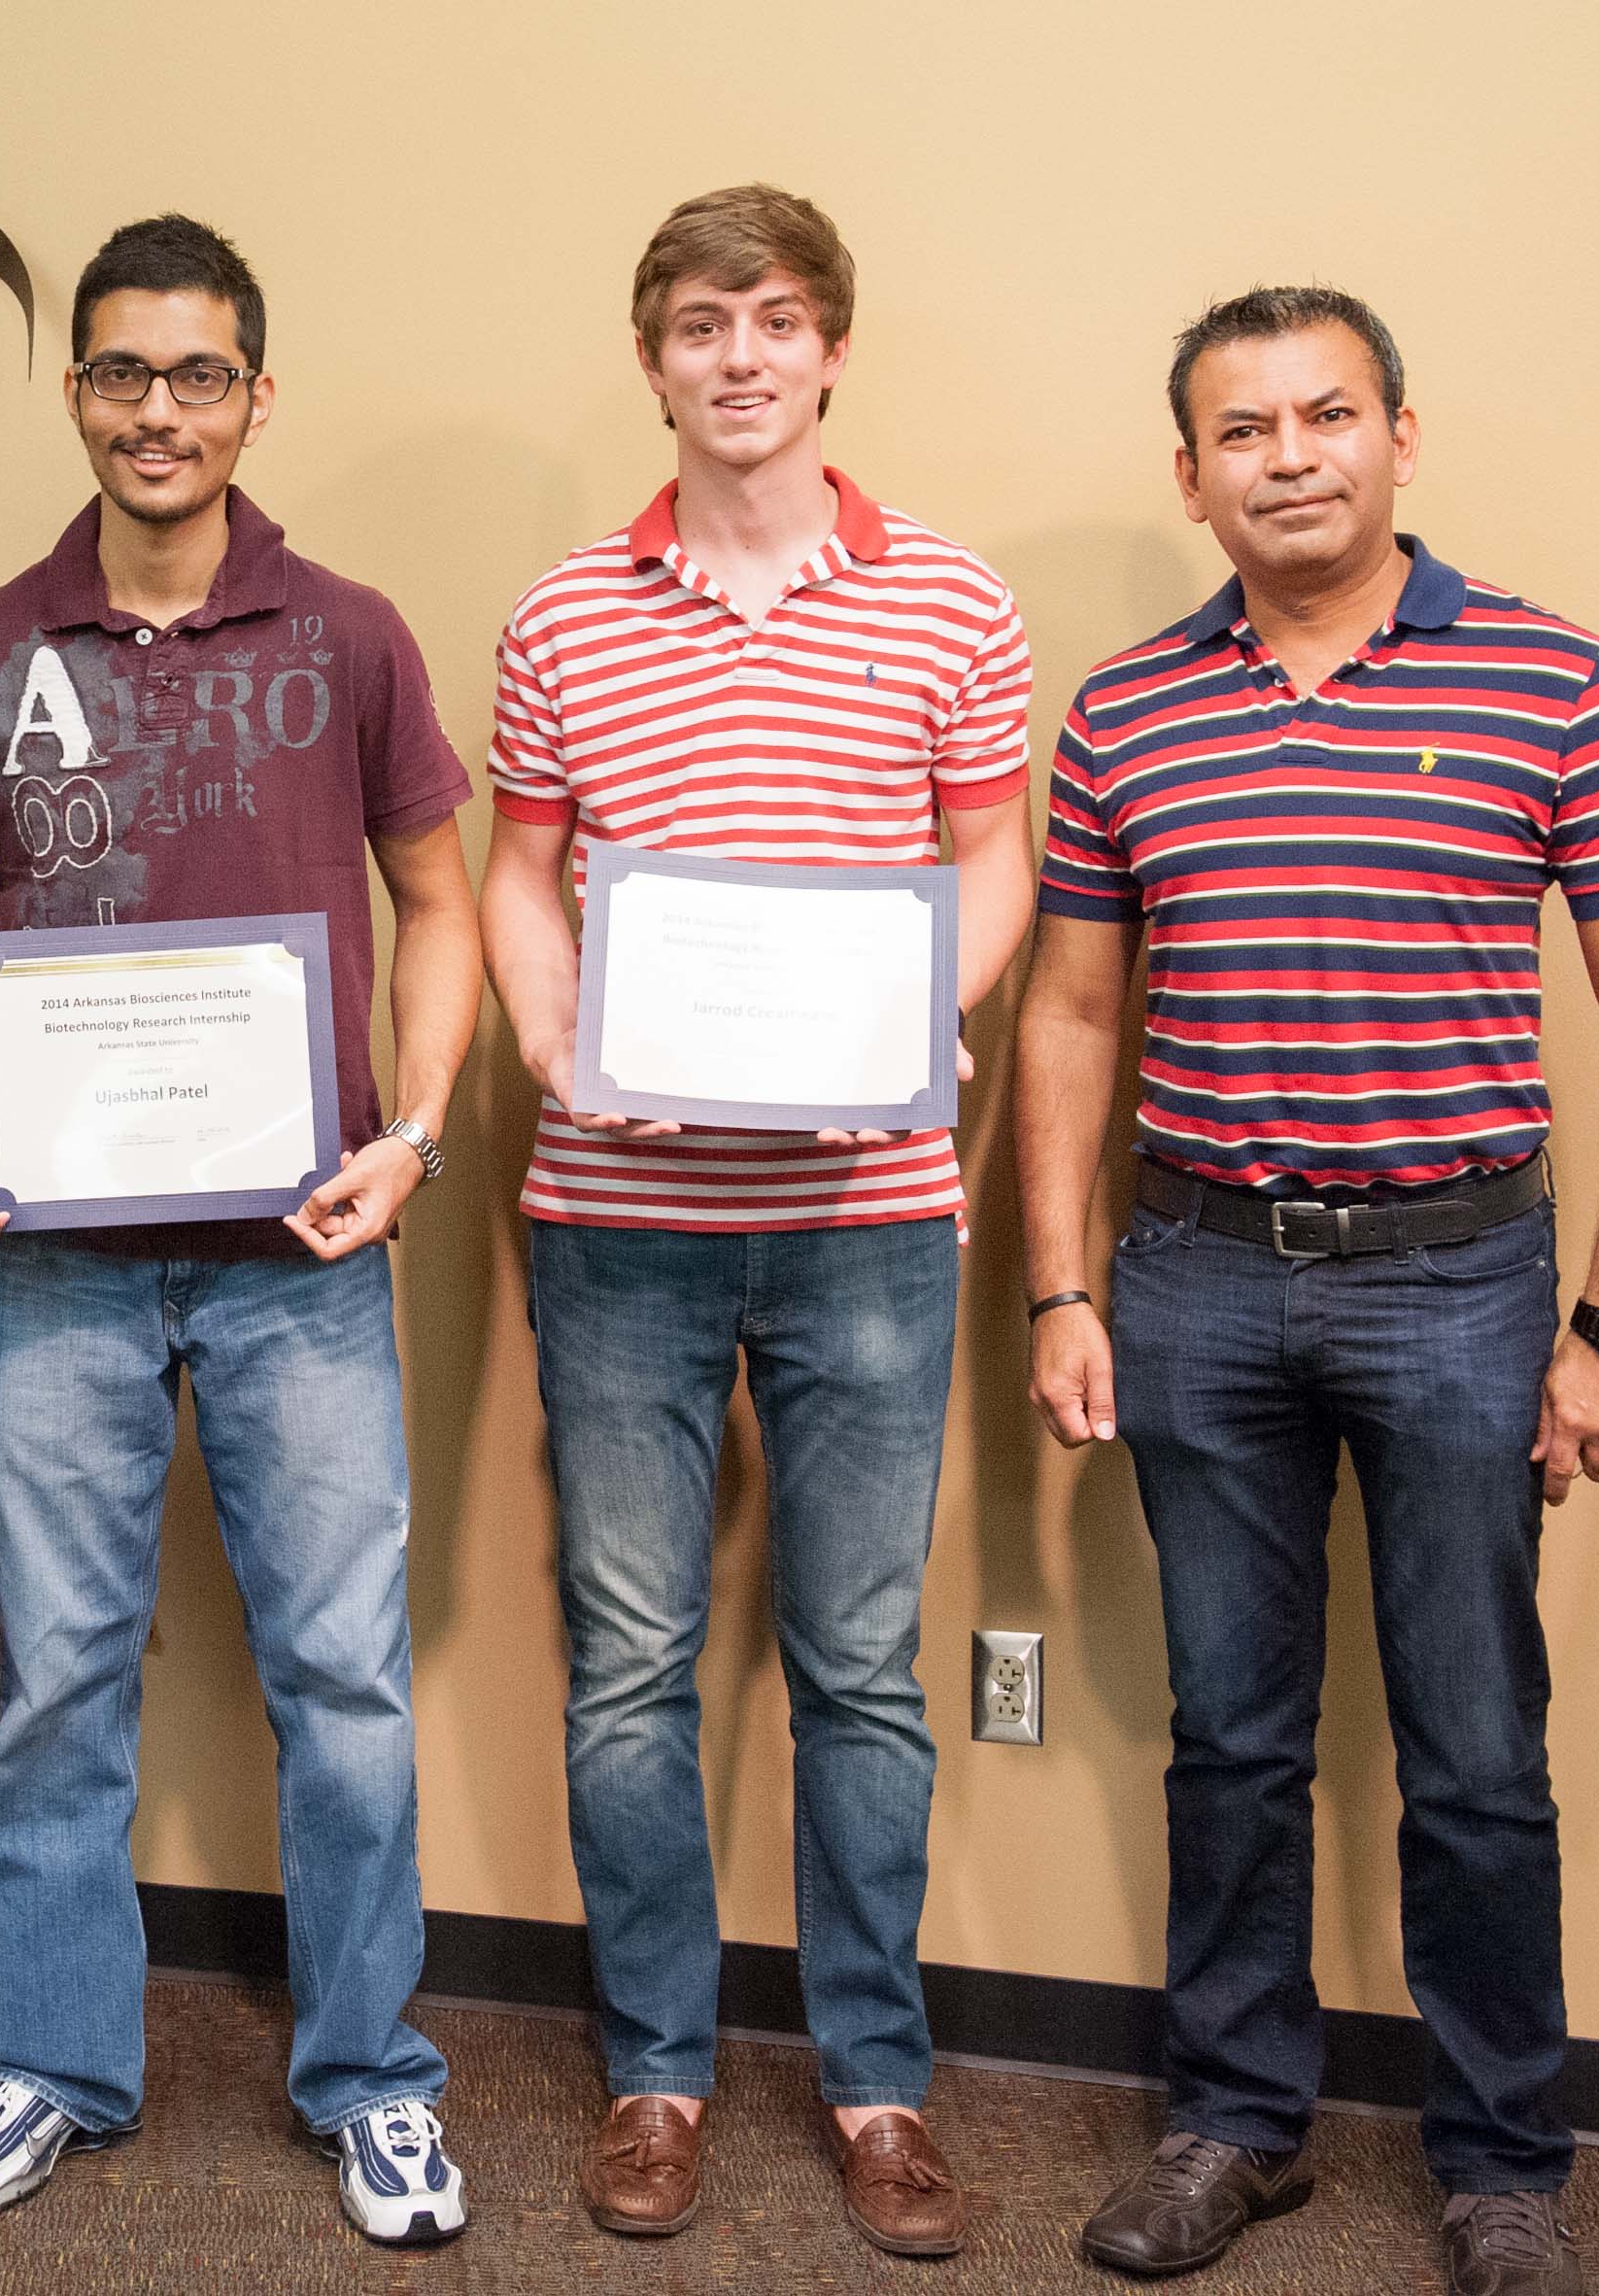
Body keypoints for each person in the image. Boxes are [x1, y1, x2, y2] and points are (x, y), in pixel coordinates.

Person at [1021, 288, 1599, 2296]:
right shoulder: (1128, 711)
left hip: (1461, 1288)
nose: (1292, 455)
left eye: (1330, 415)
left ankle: (1504, 2169)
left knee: (1476, 1749)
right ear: (1192, 476)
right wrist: (1065, 1289)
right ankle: (1236, 2125)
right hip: (1197, 1282)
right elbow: (1072, 1013)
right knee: (1229, 1736)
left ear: (1405, 433)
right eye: (1246, 430)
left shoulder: (1554, 680)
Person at [0, 215, 483, 2247]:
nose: (160, 411)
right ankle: (51, 2060)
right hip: (56, 1249)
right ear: (74, 390)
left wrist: (411, 1131)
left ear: (253, 396)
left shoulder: (356, 636)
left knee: (345, 1676)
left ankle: (374, 2076)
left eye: (199, 375)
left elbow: (447, 904)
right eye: (124, 374)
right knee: (61, 1673)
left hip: (305, 1249)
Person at [476, 185, 1037, 2260]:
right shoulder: (562, 615)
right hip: (617, 1211)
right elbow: (521, 870)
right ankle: (654, 2073)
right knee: (629, 1664)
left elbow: (995, 865)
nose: (738, 356)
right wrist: (559, 1041)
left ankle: (879, 2087)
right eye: (700, 322)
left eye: (776, 320)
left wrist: (904, 1019)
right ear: (654, 359)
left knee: (864, 1669)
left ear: (829, 351)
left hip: (872, 1209)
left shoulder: (952, 602)